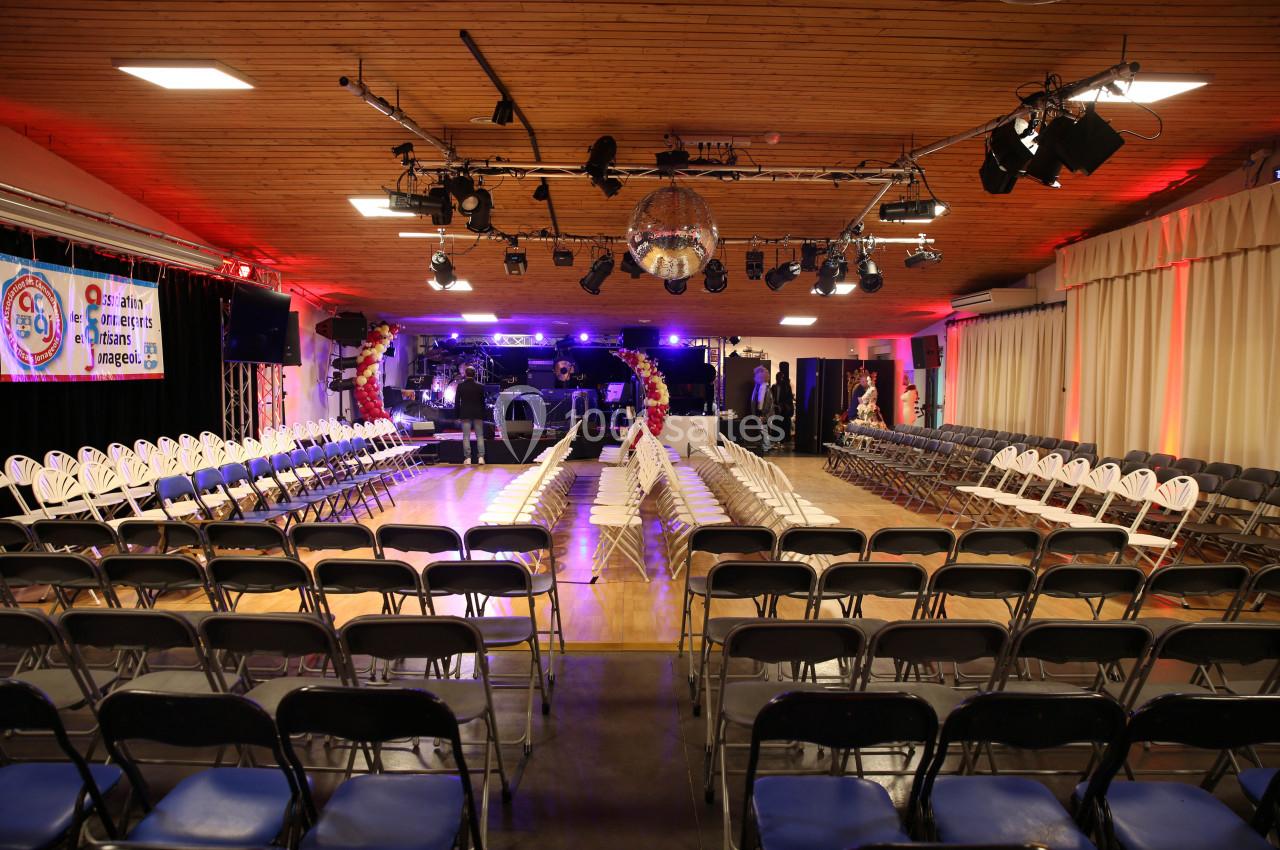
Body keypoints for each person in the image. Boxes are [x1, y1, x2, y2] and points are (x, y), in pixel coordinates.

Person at [455, 366, 487, 465]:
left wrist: (457, 415)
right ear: (475, 374)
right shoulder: (480, 386)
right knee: (480, 436)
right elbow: (483, 402)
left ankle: (468, 458)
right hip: (478, 413)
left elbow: (457, 402)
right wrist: (484, 414)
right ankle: (481, 457)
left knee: (466, 436)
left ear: (465, 373)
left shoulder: (461, 386)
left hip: (465, 413)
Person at [750, 366, 775, 452]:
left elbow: (762, 402)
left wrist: (761, 414)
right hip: (765, 413)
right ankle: (766, 445)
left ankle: (766, 446)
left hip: (763, 413)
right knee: (764, 429)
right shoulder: (764, 387)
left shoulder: (763, 388)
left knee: (763, 429)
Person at [773, 366, 794, 444]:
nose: (779, 379)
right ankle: (777, 439)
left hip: (784, 409)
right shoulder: (774, 386)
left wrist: (783, 405)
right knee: (777, 423)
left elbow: (789, 397)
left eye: (781, 377)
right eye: (778, 377)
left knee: (785, 424)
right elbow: (773, 397)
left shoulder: (786, 387)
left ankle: (784, 439)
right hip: (777, 409)